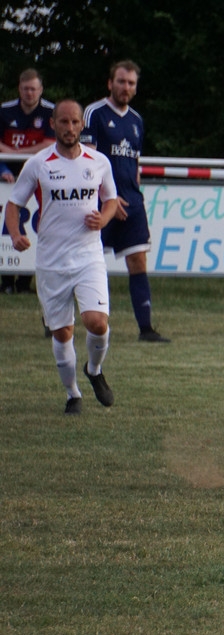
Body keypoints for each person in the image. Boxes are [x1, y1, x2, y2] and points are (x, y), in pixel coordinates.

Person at [4, 99, 119, 414]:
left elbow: (111, 200)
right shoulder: (39, 164)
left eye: (75, 122)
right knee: (62, 331)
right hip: (51, 260)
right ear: (53, 124)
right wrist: (15, 234)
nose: (70, 128)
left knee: (96, 322)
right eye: (64, 122)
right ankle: (73, 395)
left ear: (82, 125)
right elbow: (14, 204)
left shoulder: (98, 162)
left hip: (88, 256)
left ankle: (94, 371)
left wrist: (104, 218)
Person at [82, 60, 170, 342]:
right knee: (83, 261)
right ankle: (58, 321)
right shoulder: (94, 113)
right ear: (110, 83)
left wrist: (135, 196)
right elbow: (86, 163)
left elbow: (135, 164)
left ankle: (145, 329)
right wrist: (107, 198)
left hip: (132, 202)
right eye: (121, 81)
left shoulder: (136, 120)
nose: (126, 87)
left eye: (131, 83)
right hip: (101, 203)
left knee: (138, 262)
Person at [1, 68, 56, 294]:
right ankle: (6, 281)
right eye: (25, 89)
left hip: (39, 176)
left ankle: (25, 281)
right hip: (7, 176)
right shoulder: (4, 111)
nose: (29, 93)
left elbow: (50, 144)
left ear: (40, 90)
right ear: (19, 89)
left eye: (33, 89)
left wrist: (19, 152)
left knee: (34, 229)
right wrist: (6, 162)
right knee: (8, 226)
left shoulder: (51, 112)